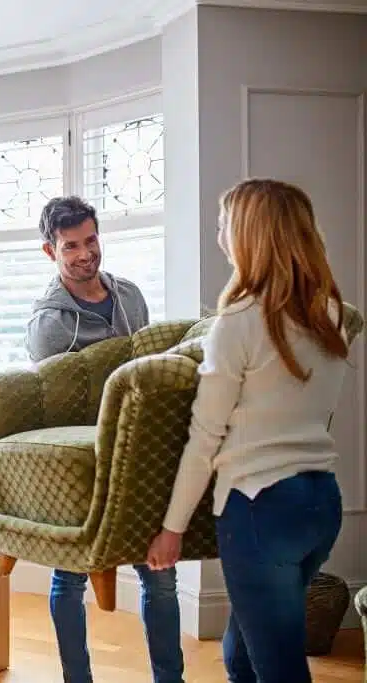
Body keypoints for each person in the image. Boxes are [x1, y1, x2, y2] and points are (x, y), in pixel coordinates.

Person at [147, 178, 351, 683]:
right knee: (243, 654)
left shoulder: (237, 321)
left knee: (278, 668)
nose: (219, 233)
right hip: (321, 503)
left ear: (248, 236)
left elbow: (205, 435)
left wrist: (171, 529)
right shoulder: (332, 315)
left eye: (224, 224)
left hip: (261, 511)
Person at [26, 196, 185, 683]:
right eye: (70, 245)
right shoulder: (48, 325)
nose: (84, 253)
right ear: (51, 252)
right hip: (88, 463)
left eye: (90, 240)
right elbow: (56, 407)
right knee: (70, 575)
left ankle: (170, 679)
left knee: (159, 576)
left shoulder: (132, 296)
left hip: (142, 455)